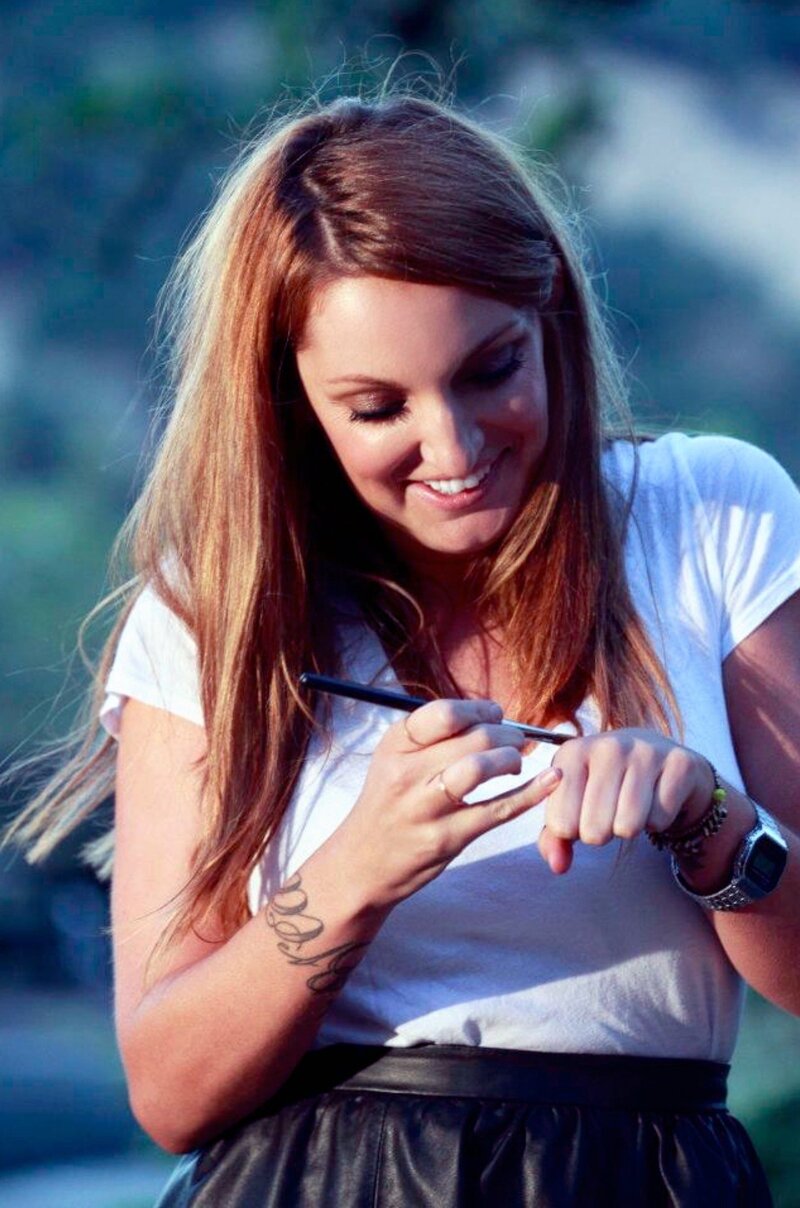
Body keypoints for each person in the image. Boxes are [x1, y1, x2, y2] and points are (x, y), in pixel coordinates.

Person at [7, 89, 800, 1206]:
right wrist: (355, 869)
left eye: (490, 369)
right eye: (378, 406)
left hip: (647, 1173)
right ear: (293, 409)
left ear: (552, 318)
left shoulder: (710, 511)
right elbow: (170, 1090)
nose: (455, 447)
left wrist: (706, 820)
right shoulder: (216, 611)